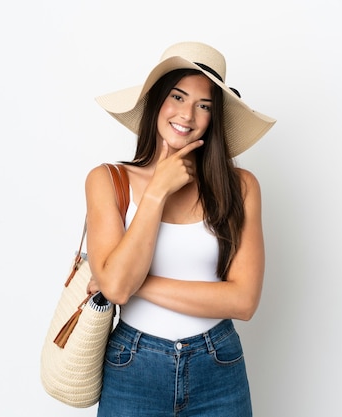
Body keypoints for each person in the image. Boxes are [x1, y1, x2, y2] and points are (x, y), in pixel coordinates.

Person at [85, 41, 276, 416]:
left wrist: (130, 285)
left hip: (217, 364)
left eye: (204, 105)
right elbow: (118, 288)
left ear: (213, 119)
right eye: (177, 96)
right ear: (157, 101)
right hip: (132, 365)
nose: (187, 115)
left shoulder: (241, 187)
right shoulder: (108, 180)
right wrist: (156, 191)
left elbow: (243, 301)